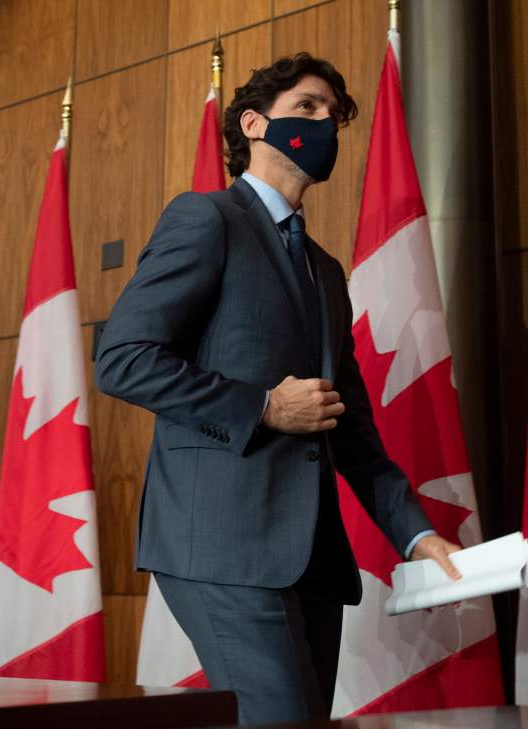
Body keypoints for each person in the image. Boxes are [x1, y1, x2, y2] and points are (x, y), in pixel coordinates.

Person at [94, 52, 461, 726]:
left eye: (335, 116)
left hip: (312, 558)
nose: (326, 125)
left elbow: (347, 425)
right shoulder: (206, 219)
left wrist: (417, 536)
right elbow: (123, 357)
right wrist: (262, 405)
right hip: (220, 544)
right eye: (309, 109)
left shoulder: (325, 270)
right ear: (255, 123)